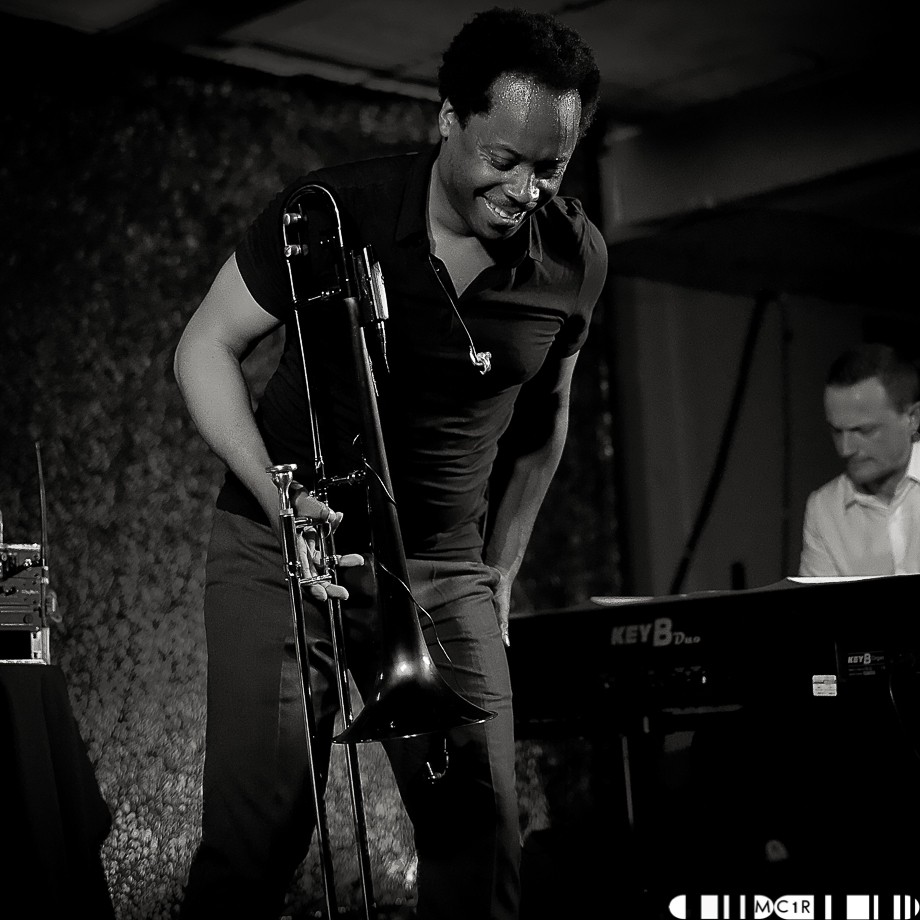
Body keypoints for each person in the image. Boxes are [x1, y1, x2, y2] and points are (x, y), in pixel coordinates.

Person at [173, 7, 607, 919]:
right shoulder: (333, 211)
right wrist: (279, 498)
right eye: (503, 159)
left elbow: (548, 418)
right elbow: (204, 347)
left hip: (444, 567)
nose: (525, 190)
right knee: (256, 842)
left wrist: (504, 567)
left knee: (481, 844)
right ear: (448, 118)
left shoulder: (575, 258)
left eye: (551, 167)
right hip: (287, 550)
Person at [798, 341, 920, 577]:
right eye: (836, 431)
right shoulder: (824, 509)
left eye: (863, 431)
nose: (845, 449)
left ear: (912, 418)